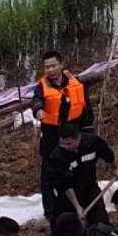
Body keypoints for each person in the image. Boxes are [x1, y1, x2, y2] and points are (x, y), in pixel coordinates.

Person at [41, 124, 114, 236]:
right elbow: (65, 184)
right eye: (62, 143)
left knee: (100, 222)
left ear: (78, 138)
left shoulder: (92, 142)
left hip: (90, 189)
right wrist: (78, 207)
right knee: (61, 226)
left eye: (68, 143)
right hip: (66, 196)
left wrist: (116, 167)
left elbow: (107, 154)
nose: (65, 146)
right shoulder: (57, 155)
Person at [31, 49, 92, 196]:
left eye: (53, 66)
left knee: (75, 168)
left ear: (61, 65)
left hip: (72, 131)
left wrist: (87, 128)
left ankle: (76, 196)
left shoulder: (76, 83)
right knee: (48, 174)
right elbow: (37, 100)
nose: (51, 70)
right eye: (47, 67)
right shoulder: (42, 87)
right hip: (51, 135)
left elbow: (85, 107)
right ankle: (50, 209)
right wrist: (38, 109)